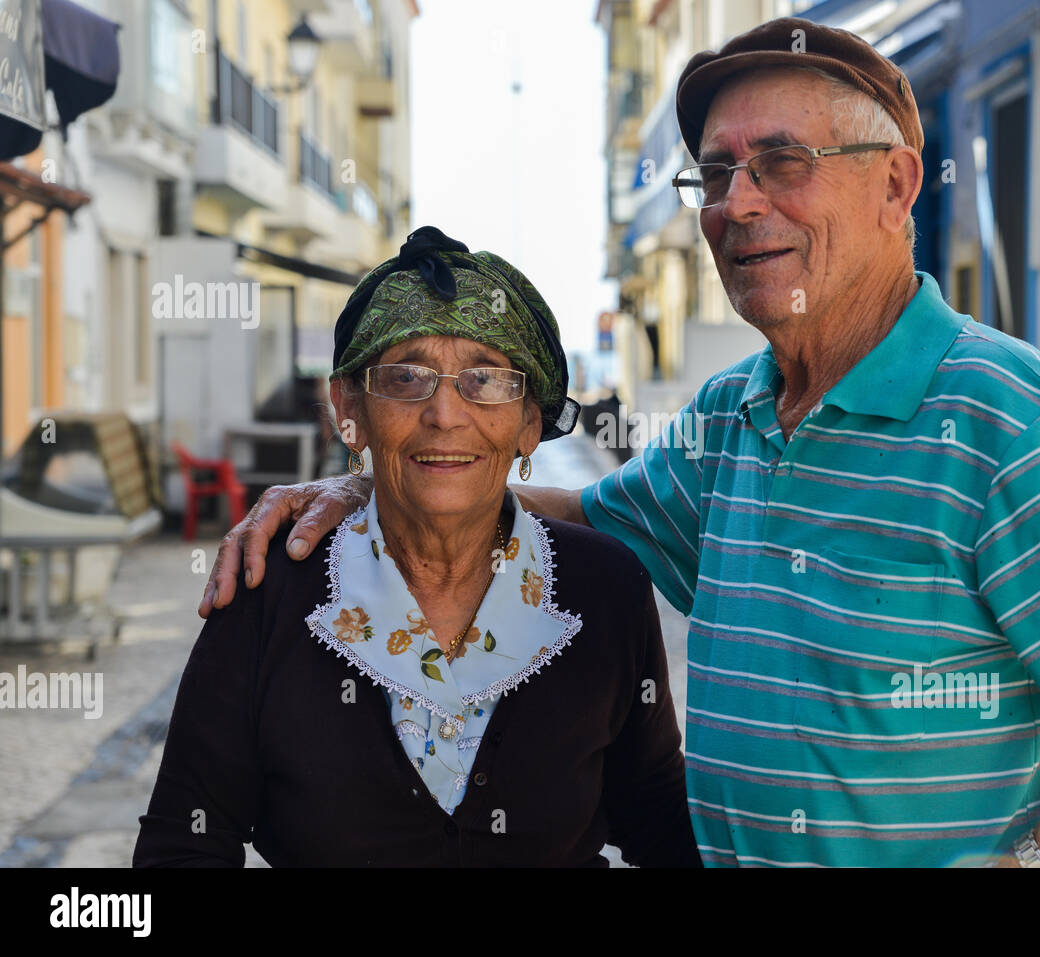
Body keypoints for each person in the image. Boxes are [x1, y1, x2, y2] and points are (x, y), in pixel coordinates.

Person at [199, 20, 1040, 868]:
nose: (736, 202)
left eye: (780, 162)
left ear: (897, 184)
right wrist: (371, 490)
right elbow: (577, 519)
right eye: (715, 174)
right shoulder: (736, 415)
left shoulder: (991, 409)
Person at [137, 227, 699, 867]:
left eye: (485, 379)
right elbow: (182, 843)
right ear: (350, 408)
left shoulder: (604, 586)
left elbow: (656, 812)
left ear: (530, 424)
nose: (445, 414)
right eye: (406, 377)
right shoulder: (273, 588)